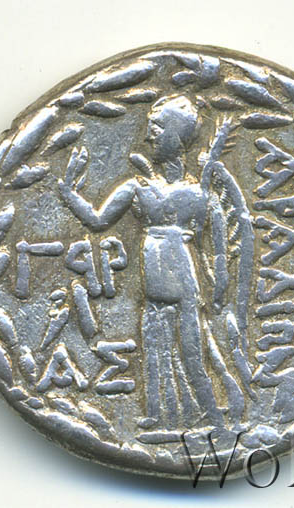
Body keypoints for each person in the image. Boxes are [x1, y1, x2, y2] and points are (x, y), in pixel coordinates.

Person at [58, 95, 238, 430]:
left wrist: (221, 280)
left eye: (155, 127)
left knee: (192, 354)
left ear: (174, 135)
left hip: (183, 282)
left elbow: (218, 240)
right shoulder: (138, 187)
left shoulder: (197, 192)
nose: (148, 135)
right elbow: (98, 220)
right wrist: (69, 194)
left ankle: (213, 417)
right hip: (154, 284)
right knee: (153, 351)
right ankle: (158, 418)